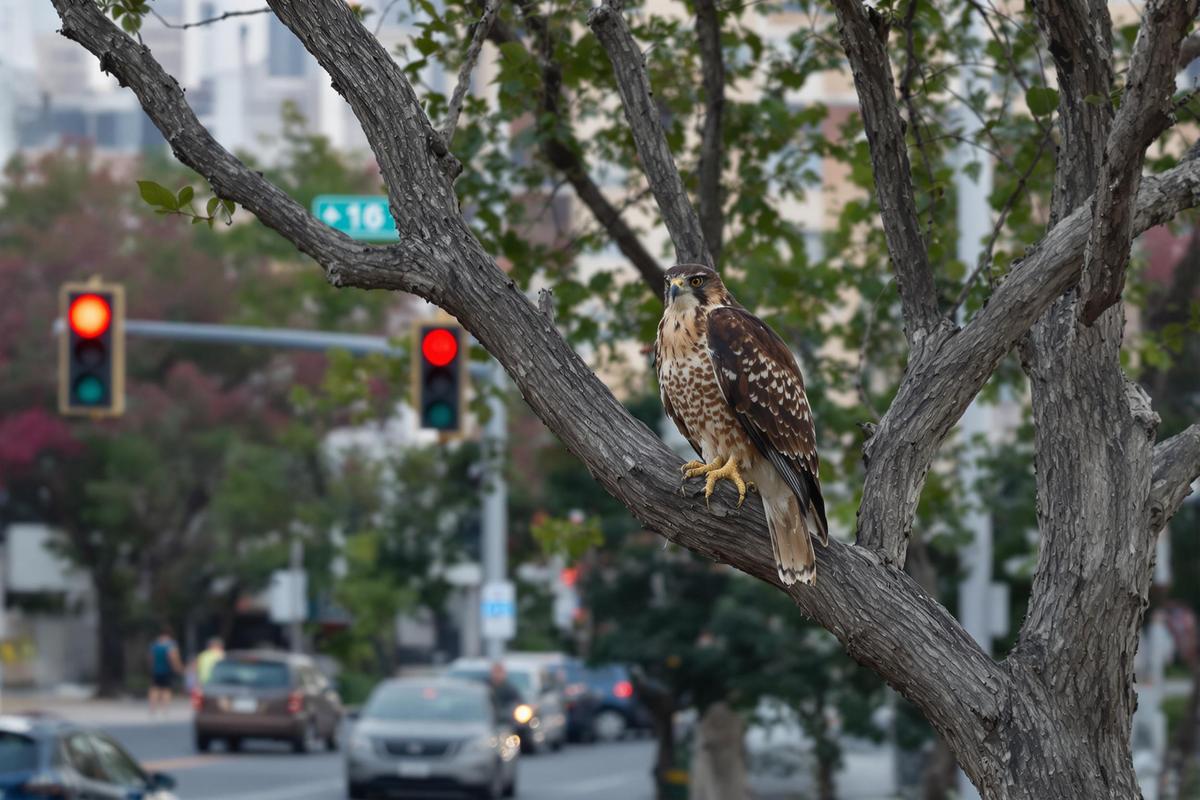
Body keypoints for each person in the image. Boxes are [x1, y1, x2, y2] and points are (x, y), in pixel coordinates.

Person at [147, 627, 182, 716]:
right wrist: (177, 667)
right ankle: (165, 709)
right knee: (166, 689)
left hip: (156, 670)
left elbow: (151, 658)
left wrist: (151, 667)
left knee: (154, 688)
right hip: (167, 670)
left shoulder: (155, 645)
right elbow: (173, 657)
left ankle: (152, 709)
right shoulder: (171, 645)